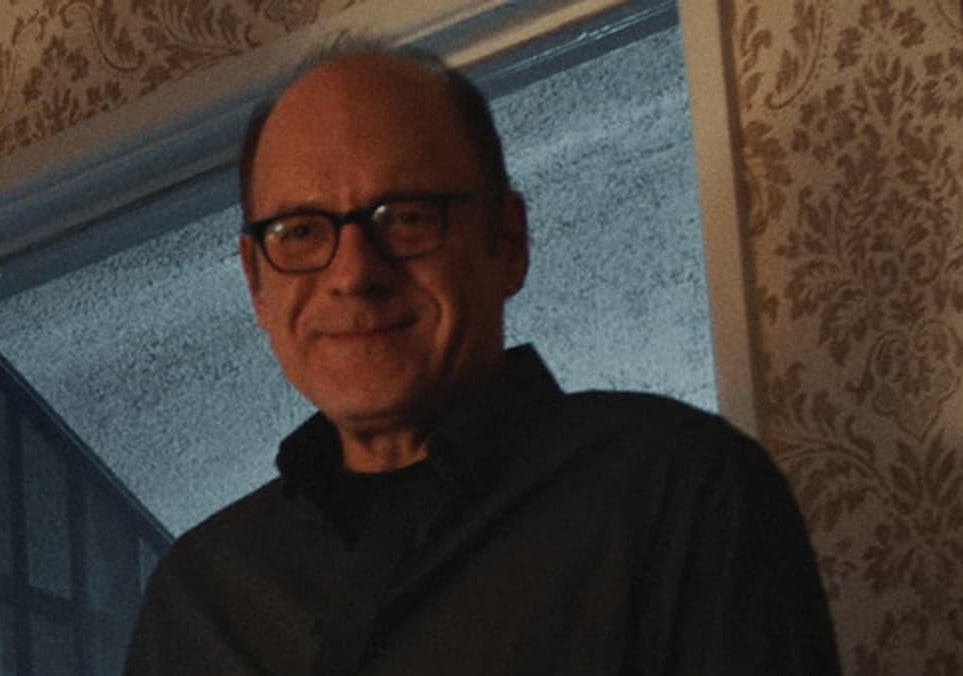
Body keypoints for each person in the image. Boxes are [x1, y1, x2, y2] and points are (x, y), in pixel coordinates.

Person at [122, 47, 841, 675]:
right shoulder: (196, 598)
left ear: (508, 242)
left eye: (406, 218)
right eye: (300, 231)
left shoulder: (678, 493)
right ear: (255, 279)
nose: (353, 274)